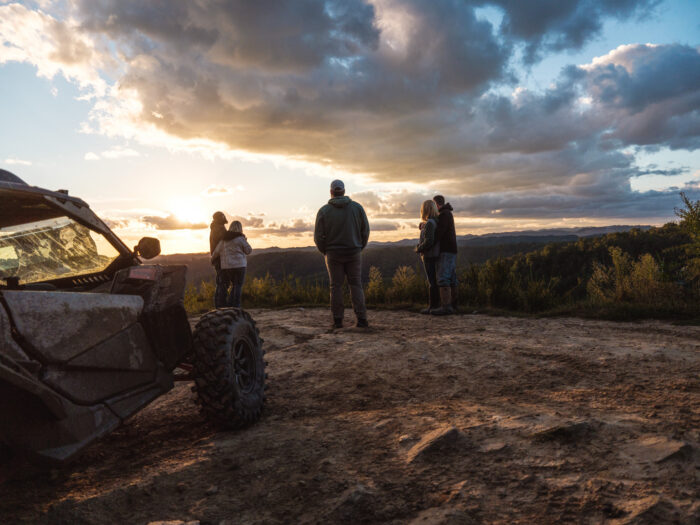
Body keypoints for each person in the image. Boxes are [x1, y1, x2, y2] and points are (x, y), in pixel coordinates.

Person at [314, 179, 370, 329]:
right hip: (354, 251)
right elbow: (365, 231)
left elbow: (318, 236)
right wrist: (359, 246)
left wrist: (325, 251)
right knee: (356, 284)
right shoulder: (357, 208)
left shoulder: (324, 211)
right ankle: (362, 319)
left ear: (331, 192)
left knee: (336, 286)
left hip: (333, 253)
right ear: (344, 191)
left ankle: (338, 320)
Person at [211, 220, 252, 308]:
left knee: (234, 285)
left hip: (227, 267)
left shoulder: (224, 240)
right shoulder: (240, 238)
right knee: (238, 286)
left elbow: (216, 252)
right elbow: (249, 251)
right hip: (240, 266)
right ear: (240, 228)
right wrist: (245, 240)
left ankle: (230, 305)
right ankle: (236, 306)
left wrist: (212, 260)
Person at [432, 194, 458, 315]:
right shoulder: (447, 213)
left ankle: (446, 306)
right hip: (451, 249)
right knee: (451, 278)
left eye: (434, 205)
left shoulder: (444, 215)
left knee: (443, 277)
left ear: (436, 204)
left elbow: (439, 233)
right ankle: (453, 305)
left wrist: (430, 242)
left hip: (446, 249)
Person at [415, 200, 441, 314]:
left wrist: (418, 248)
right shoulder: (434, 222)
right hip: (435, 254)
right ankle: (436, 305)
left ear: (425, 209)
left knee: (432, 282)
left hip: (429, 255)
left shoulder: (430, 223)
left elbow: (429, 241)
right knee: (434, 281)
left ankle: (432, 306)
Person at [209, 211, 229, 308]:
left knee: (220, 281)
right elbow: (225, 239)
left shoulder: (215, 227)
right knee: (223, 282)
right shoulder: (219, 228)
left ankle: (218, 305)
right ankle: (221, 305)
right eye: (222, 216)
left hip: (217, 258)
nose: (224, 217)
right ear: (218, 218)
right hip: (220, 258)